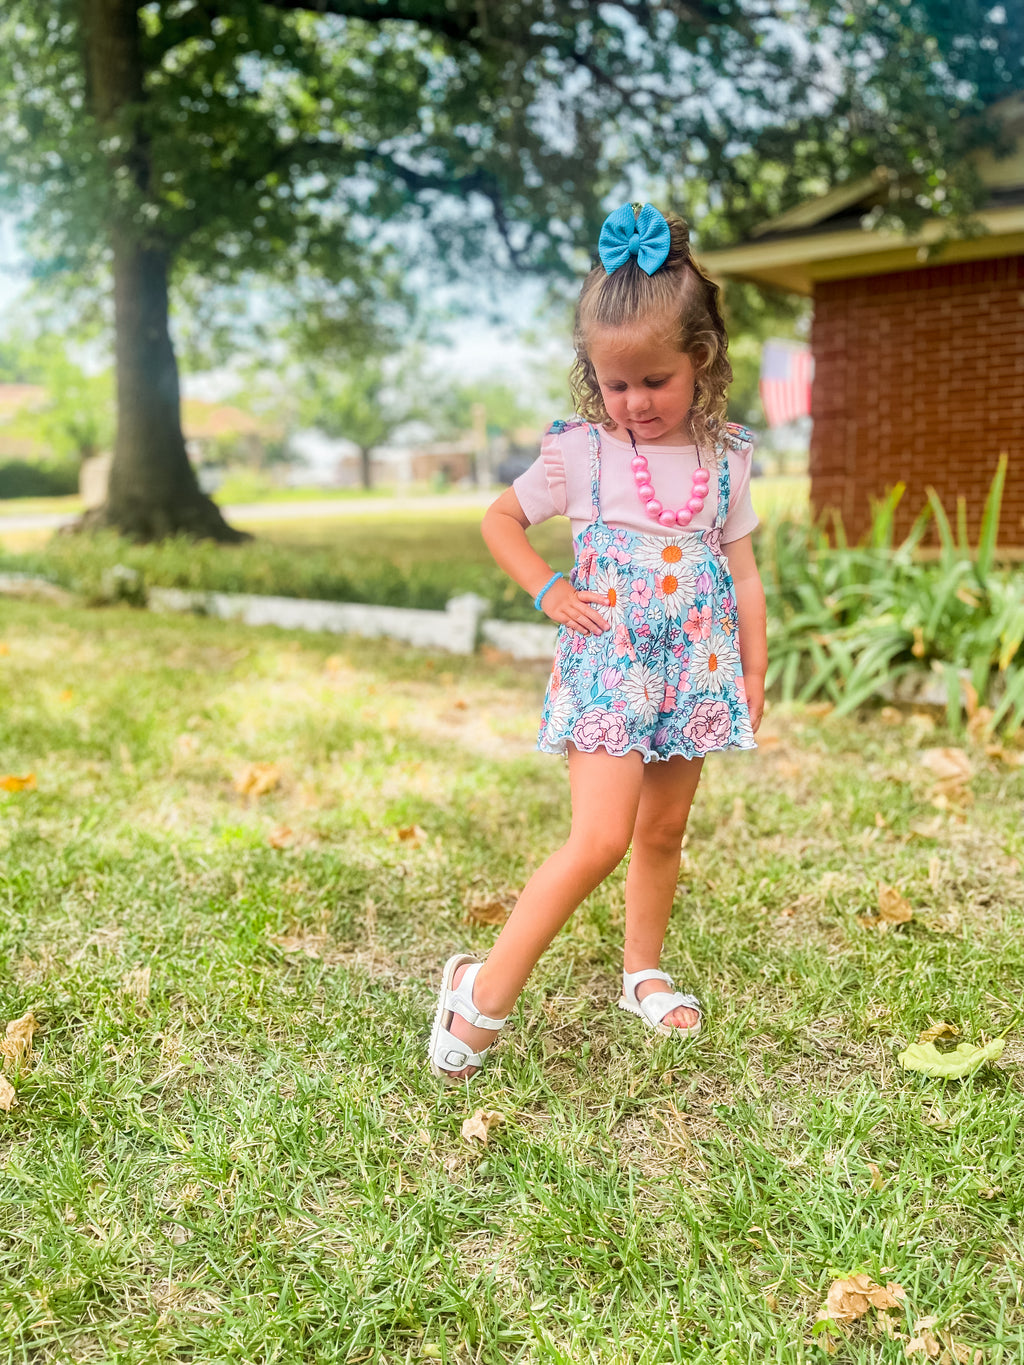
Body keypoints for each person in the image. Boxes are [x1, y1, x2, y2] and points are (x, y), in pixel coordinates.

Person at [428, 203, 767, 1081]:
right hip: (611, 668)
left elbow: (746, 576)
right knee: (600, 836)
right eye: (615, 384)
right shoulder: (578, 452)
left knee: (664, 829)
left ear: (701, 358)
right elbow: (500, 519)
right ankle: (481, 987)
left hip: (693, 669)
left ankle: (642, 970)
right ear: (593, 376)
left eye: (653, 380)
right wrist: (549, 587)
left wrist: (751, 670)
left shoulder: (728, 457)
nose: (634, 402)